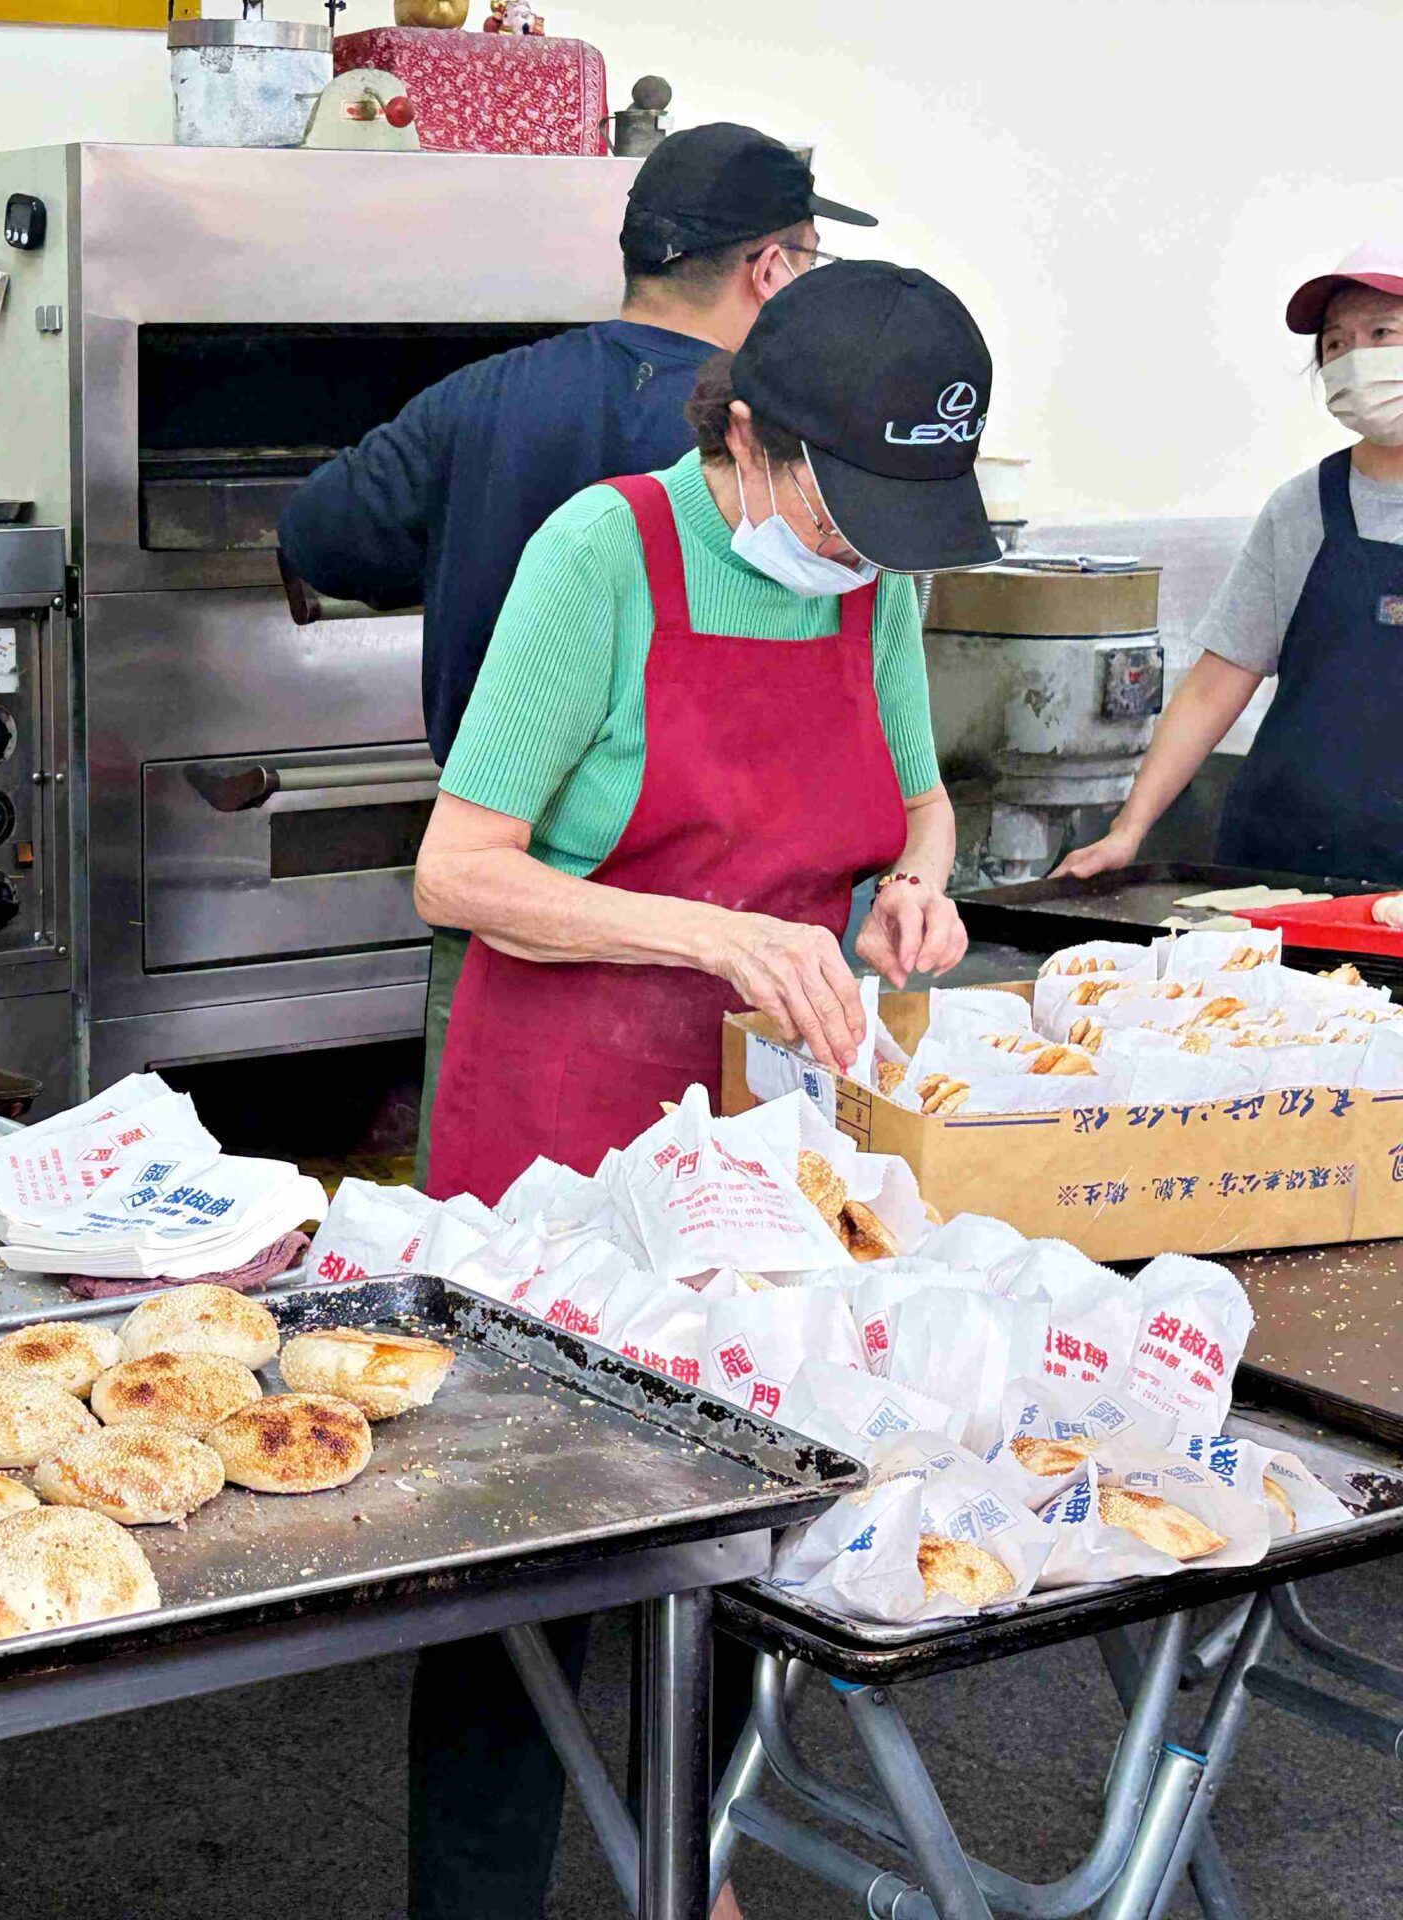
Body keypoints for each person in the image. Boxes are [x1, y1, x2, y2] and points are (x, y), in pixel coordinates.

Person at [405, 262, 990, 1920]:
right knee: (526, 1580)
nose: (868, 546)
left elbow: (923, 800)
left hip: (761, 1138)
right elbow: (462, 869)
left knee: (749, 1538)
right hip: (557, 1136)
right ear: (746, 434)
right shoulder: (607, 550)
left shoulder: (876, 581)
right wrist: (711, 932)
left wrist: (915, 892)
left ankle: (700, 1877)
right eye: (849, 500)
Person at [278, 121, 879, 1188]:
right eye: (812, 264)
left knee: (499, 1287)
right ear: (771, 269)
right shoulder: (780, 463)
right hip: (616, 932)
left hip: (524, 931)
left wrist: (462, 542)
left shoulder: (483, 397)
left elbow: (319, 535)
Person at [1058, 241, 1403, 884]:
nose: (1354, 360)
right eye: (1334, 344)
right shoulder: (1303, 508)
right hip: (1280, 864)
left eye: (1382, 333)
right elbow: (1215, 686)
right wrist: (1128, 830)